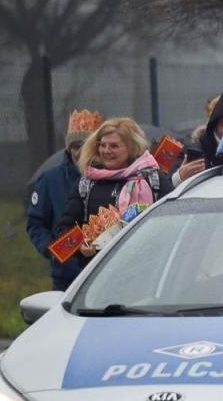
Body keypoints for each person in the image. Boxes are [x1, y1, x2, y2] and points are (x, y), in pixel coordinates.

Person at [61, 117, 173, 261]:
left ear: (132, 147)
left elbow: (172, 221)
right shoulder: (86, 182)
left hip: (149, 263)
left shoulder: (153, 179)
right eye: (102, 145)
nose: (106, 151)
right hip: (100, 268)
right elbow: (64, 230)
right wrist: (80, 246)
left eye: (114, 146)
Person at [27, 109, 97, 290]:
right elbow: (36, 223)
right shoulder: (50, 181)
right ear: (68, 148)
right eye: (75, 146)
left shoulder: (113, 177)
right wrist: (54, 251)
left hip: (104, 274)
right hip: (66, 278)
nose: (80, 152)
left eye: (86, 145)